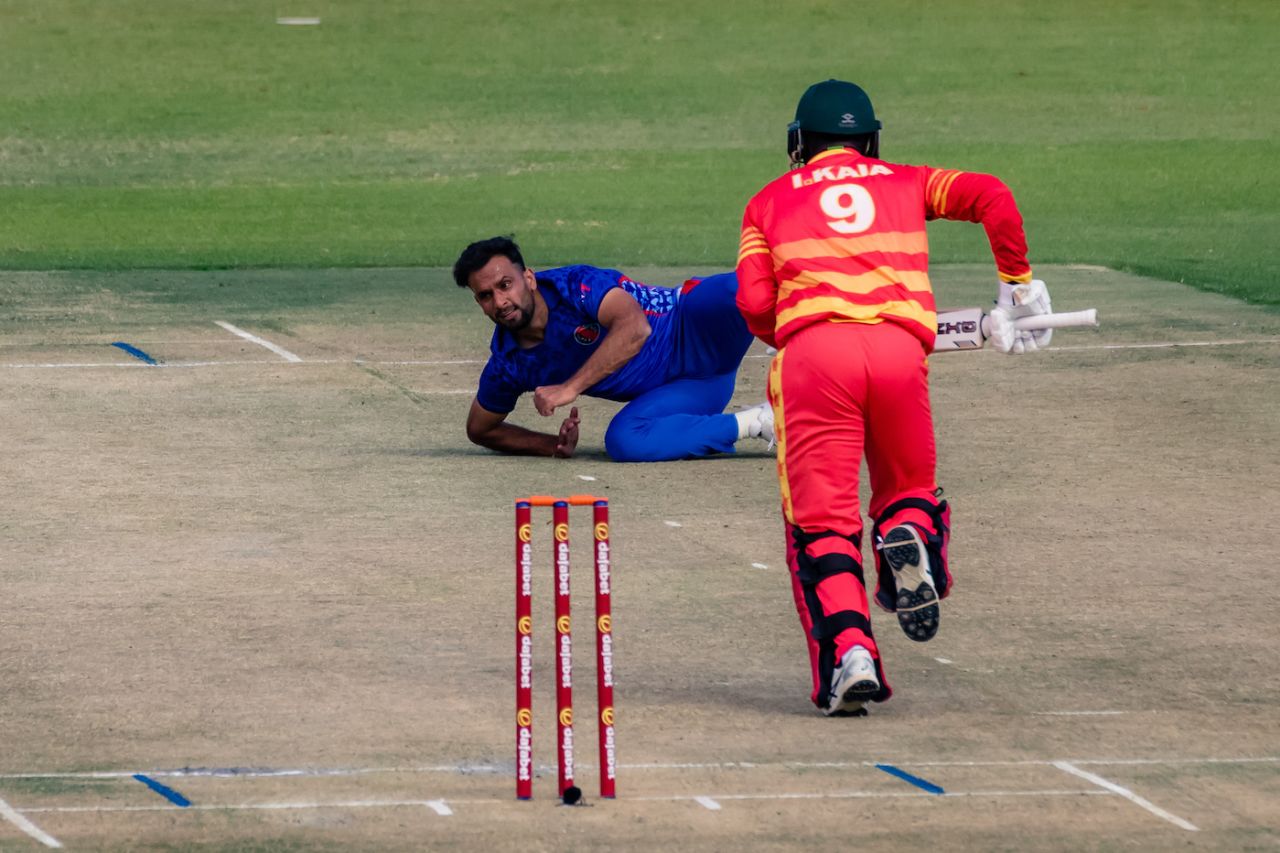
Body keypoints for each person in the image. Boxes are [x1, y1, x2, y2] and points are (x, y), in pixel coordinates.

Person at [736, 79, 1052, 716]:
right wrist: (1017, 288)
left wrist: (790, 334)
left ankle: (850, 654)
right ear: (870, 139)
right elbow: (992, 195)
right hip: (900, 352)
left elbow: (752, 300)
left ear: (799, 143)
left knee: (822, 524)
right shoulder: (908, 181)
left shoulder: (766, 202)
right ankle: (907, 532)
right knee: (908, 489)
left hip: (814, 360)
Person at [453, 236, 774, 462]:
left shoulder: (574, 285)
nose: (500, 302)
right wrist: (549, 444)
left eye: (505, 285)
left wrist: (570, 387)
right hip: (695, 387)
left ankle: (796, 331)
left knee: (740, 287)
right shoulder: (509, 363)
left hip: (695, 322)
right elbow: (480, 429)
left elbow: (635, 328)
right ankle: (758, 422)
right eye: (485, 295)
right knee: (624, 441)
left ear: (529, 279)